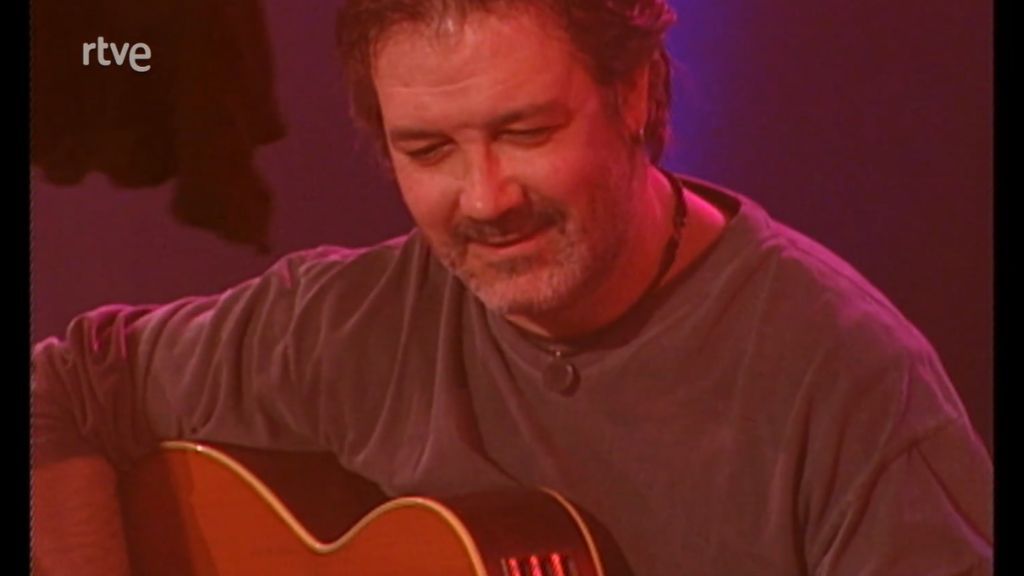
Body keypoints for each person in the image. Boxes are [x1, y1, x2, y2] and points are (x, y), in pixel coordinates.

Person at [31, 0, 993, 574]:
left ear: (634, 93)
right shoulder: (351, 322)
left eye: (527, 132)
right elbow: (61, 390)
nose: (485, 197)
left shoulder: (851, 385)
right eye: (429, 151)